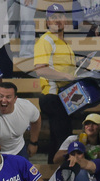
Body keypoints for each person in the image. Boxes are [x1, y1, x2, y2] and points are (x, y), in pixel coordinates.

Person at [33, 4, 76, 157]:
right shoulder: (46, 40)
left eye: (60, 17)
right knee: (63, 141)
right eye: (53, 18)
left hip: (64, 96)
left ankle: (54, 173)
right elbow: (41, 69)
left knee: (57, 140)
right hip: (53, 96)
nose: (57, 20)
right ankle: (62, 173)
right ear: (47, 23)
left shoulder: (64, 43)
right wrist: (66, 77)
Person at [0, 83, 41, 158]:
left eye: (8, 97)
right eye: (1, 96)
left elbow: (36, 120)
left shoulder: (26, 107)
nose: (3, 100)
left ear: (15, 99)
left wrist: (33, 142)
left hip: (19, 149)